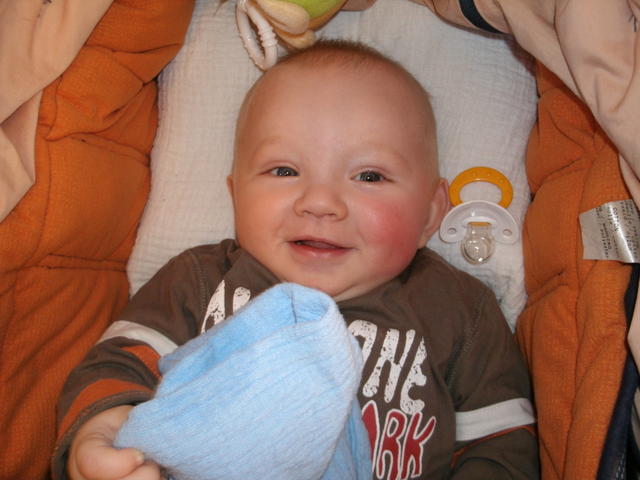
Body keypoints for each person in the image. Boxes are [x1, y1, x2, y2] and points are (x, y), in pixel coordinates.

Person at [52, 40, 539, 480]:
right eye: (284, 170)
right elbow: (118, 365)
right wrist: (102, 429)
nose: (320, 202)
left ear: (431, 213)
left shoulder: (459, 310)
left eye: (369, 176)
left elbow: (502, 444)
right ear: (236, 194)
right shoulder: (200, 281)